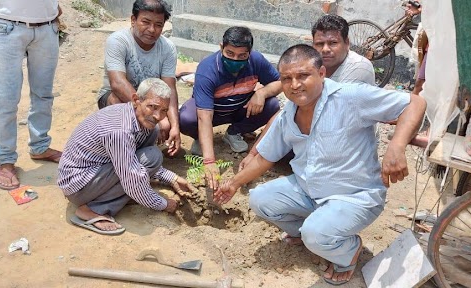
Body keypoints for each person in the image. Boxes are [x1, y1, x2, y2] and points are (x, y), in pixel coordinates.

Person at [213, 45, 426, 285]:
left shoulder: (350, 97)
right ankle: (311, 233)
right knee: (259, 199)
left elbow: (415, 103)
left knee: (316, 233)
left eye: (303, 76)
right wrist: (232, 184)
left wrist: (396, 146)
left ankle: (348, 251)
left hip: (354, 196)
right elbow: (264, 157)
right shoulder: (289, 112)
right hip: (309, 190)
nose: (294, 85)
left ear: (322, 73)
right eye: (286, 79)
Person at [58, 78, 193, 235]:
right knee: (152, 157)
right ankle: (92, 210)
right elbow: (132, 180)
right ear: (136, 100)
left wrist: (172, 178)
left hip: (97, 171)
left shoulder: (139, 119)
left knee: (152, 138)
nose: (157, 116)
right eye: (152, 107)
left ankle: (109, 197)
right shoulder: (120, 131)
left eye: (163, 110)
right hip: (78, 184)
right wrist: (163, 204)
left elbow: (137, 158)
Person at [239, 15, 374, 170]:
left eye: (333, 43)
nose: (325, 49)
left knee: (286, 147)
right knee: (282, 140)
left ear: (347, 43)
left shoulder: (358, 69)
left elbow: (333, 118)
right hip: (318, 133)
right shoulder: (312, 66)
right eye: (319, 44)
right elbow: (286, 113)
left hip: (346, 142)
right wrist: (254, 153)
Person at [0, 0, 64, 190]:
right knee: (6, 99)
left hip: (47, 28)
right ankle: (5, 159)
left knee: (43, 94)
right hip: (4, 26)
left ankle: (40, 147)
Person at [178, 26, 282, 190]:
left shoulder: (256, 60)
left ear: (249, 52)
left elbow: (279, 82)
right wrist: (209, 161)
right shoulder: (207, 70)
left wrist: (261, 93)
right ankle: (201, 138)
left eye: (242, 56)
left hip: (240, 108)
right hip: (213, 112)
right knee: (186, 118)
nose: (235, 60)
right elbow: (204, 116)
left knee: (272, 105)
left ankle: (235, 132)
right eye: (230, 54)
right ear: (221, 47)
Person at [96, 0, 181, 156]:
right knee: (117, 101)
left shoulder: (167, 47)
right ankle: (121, 149)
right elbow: (117, 83)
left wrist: (174, 125)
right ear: (133, 20)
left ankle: (142, 147)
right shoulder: (118, 41)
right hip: (115, 97)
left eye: (158, 25)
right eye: (145, 22)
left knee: (168, 118)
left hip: (153, 101)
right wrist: (156, 117)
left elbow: (170, 88)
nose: (152, 30)